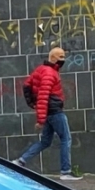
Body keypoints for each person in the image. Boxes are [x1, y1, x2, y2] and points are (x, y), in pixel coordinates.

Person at [16, 45, 74, 178]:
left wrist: (32, 103)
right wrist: (40, 119)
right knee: (66, 139)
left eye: (64, 56)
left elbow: (26, 85)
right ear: (53, 58)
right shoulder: (50, 73)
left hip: (48, 112)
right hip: (54, 112)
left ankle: (21, 161)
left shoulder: (41, 70)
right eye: (61, 57)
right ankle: (65, 172)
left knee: (45, 141)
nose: (63, 59)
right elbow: (43, 96)